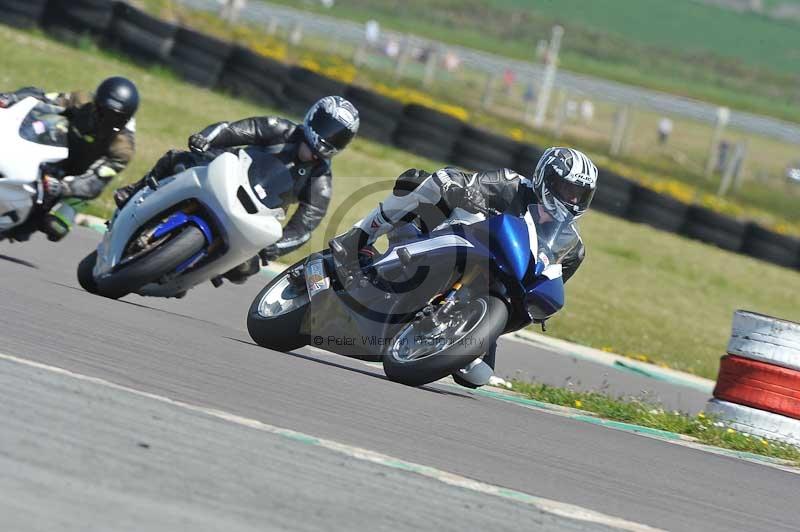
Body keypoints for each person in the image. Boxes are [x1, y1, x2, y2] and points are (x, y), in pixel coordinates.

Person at [329, 147, 597, 388]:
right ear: (546, 179)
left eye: (580, 194)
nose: (572, 199)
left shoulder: (573, 248)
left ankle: (453, 329)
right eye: (566, 189)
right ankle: (357, 239)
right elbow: (464, 181)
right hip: (454, 238)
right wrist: (461, 189)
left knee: (476, 376)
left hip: (497, 282)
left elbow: (547, 281)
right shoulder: (511, 184)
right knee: (427, 180)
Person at [114, 95, 360, 284]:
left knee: (245, 268)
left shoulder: (321, 181)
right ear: (314, 117)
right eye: (328, 128)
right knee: (177, 160)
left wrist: (277, 246)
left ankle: (191, 274)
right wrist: (205, 139)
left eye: (339, 137)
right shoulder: (279, 128)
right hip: (226, 173)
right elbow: (233, 130)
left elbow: (304, 228)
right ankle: (136, 190)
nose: (329, 139)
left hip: (257, 215)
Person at [0, 76, 138, 241]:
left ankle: (18, 225)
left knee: (56, 225)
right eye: (104, 111)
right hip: (55, 150)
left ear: (126, 119)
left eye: (115, 118)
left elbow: (95, 182)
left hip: (75, 180)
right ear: (96, 103)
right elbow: (42, 98)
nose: (107, 120)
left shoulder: (122, 149)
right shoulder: (80, 101)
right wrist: (12, 98)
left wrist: (64, 187)